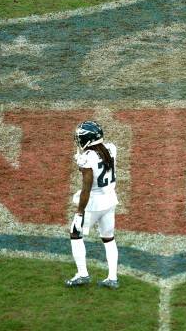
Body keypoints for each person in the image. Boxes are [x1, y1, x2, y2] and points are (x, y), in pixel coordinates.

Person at [66, 120, 119, 289]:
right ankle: (112, 277)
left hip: (94, 203)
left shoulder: (87, 158)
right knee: (108, 238)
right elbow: (100, 164)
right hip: (110, 199)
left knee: (75, 233)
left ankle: (82, 274)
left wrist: (80, 213)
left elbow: (86, 188)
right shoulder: (111, 148)